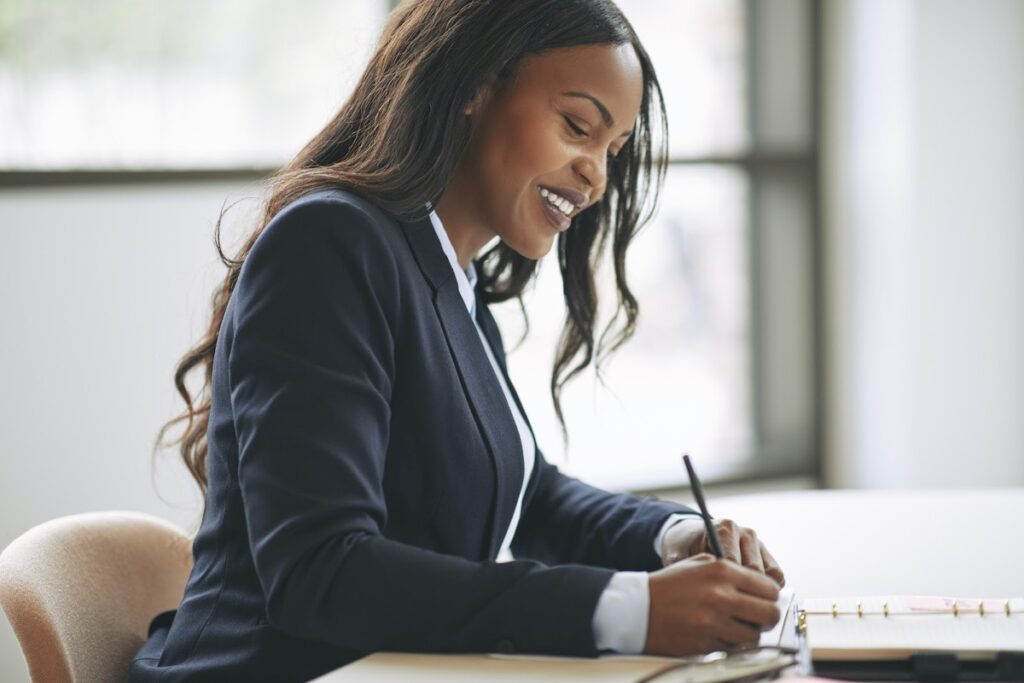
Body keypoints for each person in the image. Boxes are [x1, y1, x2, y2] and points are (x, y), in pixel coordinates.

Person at [131, 1, 785, 681]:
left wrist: (668, 536)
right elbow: (321, 570)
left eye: (612, 150)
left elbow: (529, 494)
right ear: (476, 84)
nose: (596, 174)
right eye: (577, 126)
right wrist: (627, 609)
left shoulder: (454, 280)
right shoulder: (330, 245)